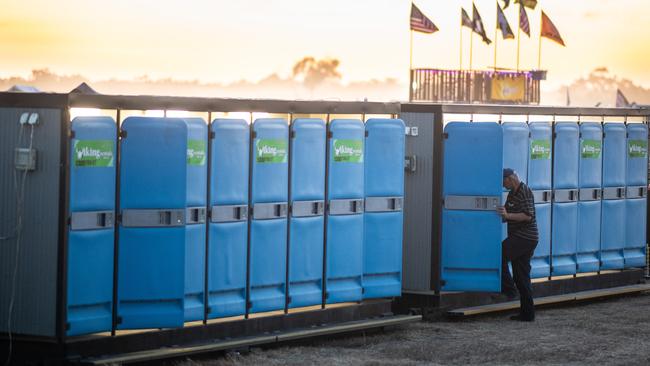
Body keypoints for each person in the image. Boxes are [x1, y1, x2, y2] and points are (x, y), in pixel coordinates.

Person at [497, 168, 539, 322]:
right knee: (521, 277)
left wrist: (507, 215)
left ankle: (509, 290)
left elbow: (528, 216)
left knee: (498, 253)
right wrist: (500, 215)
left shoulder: (524, 191)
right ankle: (527, 314)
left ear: (510, 178)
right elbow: (507, 214)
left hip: (526, 238)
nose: (502, 184)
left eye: (503, 181)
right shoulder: (512, 194)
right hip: (520, 237)